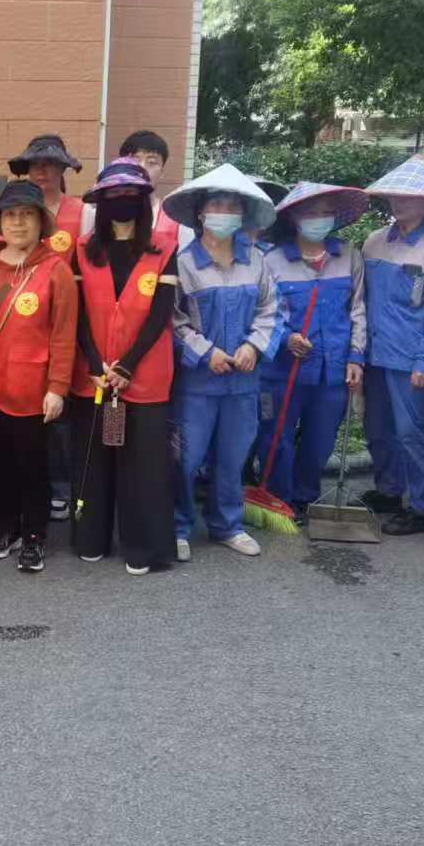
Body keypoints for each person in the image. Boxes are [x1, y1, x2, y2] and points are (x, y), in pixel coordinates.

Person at [70, 158, 180, 575]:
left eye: (130, 194)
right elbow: (76, 313)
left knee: (145, 466)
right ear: (101, 202)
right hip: (94, 375)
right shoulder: (82, 249)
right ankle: (91, 537)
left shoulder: (164, 248)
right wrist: (93, 361)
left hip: (146, 376)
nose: (122, 201)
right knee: (92, 462)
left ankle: (143, 547)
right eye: (112, 195)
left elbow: (161, 314)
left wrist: (128, 366)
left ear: (144, 200)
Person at [164, 165, 277, 562]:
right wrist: (204, 352)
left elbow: (271, 310)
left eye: (232, 206)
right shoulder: (182, 263)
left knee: (232, 457)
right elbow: (171, 319)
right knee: (185, 458)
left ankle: (228, 525)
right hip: (197, 383)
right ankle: (177, 526)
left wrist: (254, 347)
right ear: (200, 212)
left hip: (243, 382)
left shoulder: (256, 260)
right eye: (217, 205)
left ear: (243, 214)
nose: (224, 212)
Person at [0, 181, 77, 571]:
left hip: (33, 389)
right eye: (11, 215)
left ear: (40, 222)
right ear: (0, 222)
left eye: (26, 215)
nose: (18, 223)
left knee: (33, 467)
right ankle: (8, 527)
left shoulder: (56, 271)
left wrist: (57, 388)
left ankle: (35, 535)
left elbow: (63, 335)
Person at [360, 157, 424, 536]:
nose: (399, 202)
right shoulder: (374, 242)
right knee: (377, 428)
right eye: (394, 195)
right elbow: (361, 299)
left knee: (412, 433)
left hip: (412, 358)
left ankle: (422, 506)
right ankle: (389, 490)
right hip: (374, 353)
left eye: (409, 196)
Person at [255, 183, 368, 522]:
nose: (319, 219)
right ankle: (279, 499)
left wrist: (356, 356)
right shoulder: (271, 260)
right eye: (310, 213)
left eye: (325, 213)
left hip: (333, 370)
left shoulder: (349, 256)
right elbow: (262, 313)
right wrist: (286, 338)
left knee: (321, 440)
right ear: (293, 218)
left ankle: (305, 497)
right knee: (276, 437)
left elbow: (358, 309)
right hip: (282, 371)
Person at [8, 133, 86, 523]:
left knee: (63, 406)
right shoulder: (17, 212)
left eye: (50, 164)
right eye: (35, 164)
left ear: (63, 169)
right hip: (26, 319)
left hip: (73, 317)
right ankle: (32, 485)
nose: (42, 171)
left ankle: (63, 486)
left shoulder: (82, 212)